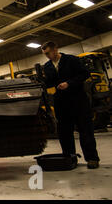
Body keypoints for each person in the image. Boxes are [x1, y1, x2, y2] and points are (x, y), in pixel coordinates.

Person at [41, 41, 100, 169]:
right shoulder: (47, 66)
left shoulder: (71, 60)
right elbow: (49, 82)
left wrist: (69, 83)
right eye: (45, 54)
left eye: (48, 53)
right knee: (64, 132)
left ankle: (92, 159)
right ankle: (69, 158)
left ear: (55, 49)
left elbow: (85, 74)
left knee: (85, 130)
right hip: (61, 103)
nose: (47, 56)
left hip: (78, 100)